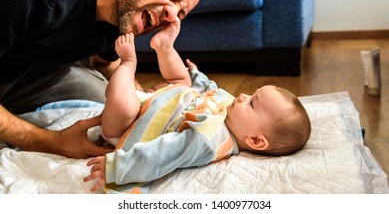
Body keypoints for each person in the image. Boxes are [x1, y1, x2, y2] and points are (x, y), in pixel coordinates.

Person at [0, 0, 206, 159]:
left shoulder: (121, 4)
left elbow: (107, 60)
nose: (171, 14)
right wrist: (52, 142)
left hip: (28, 60)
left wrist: (138, 96)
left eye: (180, 15)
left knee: (119, 113)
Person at [83, 29, 311, 193]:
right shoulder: (233, 112)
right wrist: (198, 76)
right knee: (183, 80)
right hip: (160, 102)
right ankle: (165, 47)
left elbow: (164, 153)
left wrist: (119, 167)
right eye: (252, 93)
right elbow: (213, 91)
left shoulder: (209, 140)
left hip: (128, 124)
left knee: (124, 103)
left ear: (255, 140)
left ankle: (127, 63)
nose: (243, 96)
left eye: (252, 103)